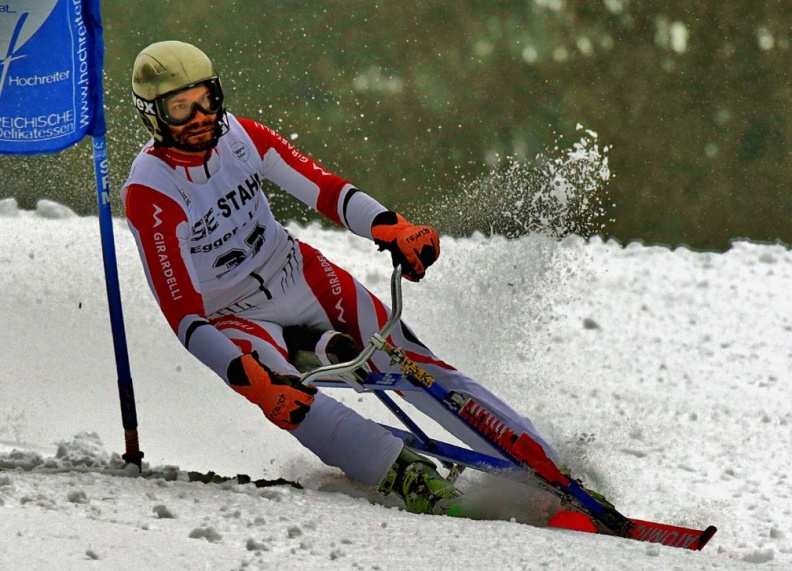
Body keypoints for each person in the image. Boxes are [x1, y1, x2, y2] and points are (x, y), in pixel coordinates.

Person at [122, 40, 559, 515]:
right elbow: (185, 317)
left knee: (410, 359)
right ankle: (404, 474)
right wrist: (249, 380)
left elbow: (326, 190)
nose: (200, 116)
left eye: (205, 97)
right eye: (180, 108)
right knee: (288, 400)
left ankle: (543, 466)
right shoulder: (151, 191)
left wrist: (392, 227)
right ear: (153, 115)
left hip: (296, 273)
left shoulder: (240, 138)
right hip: (232, 316)